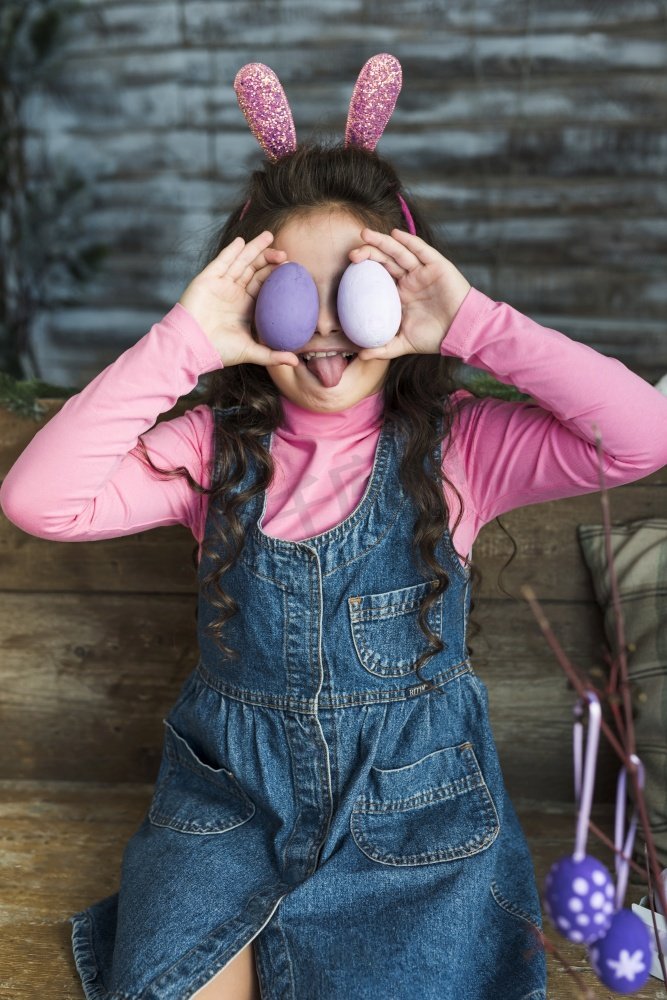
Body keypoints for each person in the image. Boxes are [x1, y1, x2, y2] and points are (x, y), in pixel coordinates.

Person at [2, 56, 667, 1000]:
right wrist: (187, 337)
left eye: (353, 288)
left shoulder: (458, 450)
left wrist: (472, 321)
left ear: (404, 296)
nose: (321, 328)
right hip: (227, 806)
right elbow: (39, 500)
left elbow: (642, 436)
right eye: (286, 293)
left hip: (415, 824)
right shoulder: (212, 450)